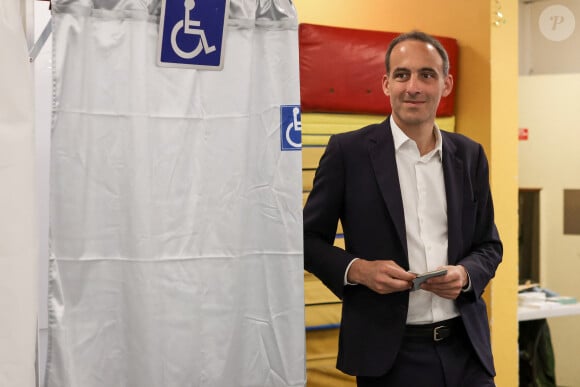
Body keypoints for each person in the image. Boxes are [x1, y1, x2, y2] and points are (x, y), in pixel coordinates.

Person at [303, 30, 503, 387]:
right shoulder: (348, 153)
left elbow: (489, 245)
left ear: (446, 84)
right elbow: (305, 241)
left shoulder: (470, 155)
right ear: (386, 83)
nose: (414, 86)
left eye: (427, 74)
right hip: (389, 357)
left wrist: (467, 274)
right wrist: (358, 270)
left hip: (467, 351)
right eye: (402, 74)